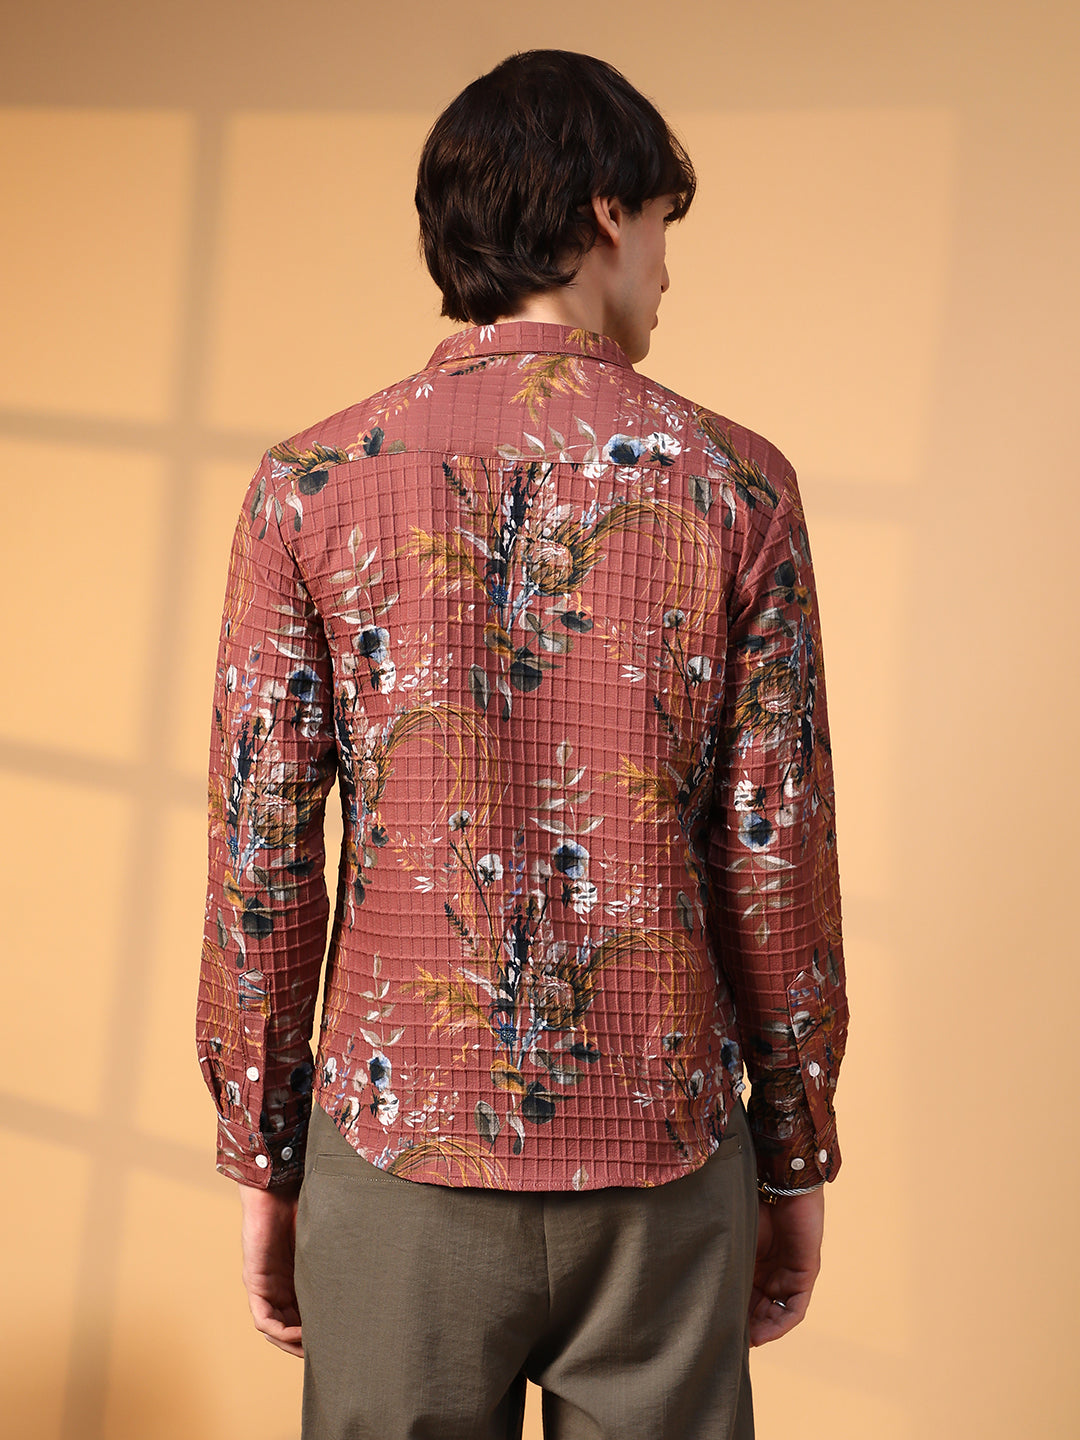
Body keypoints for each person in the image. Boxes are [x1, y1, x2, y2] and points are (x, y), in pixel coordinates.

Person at [196, 48, 848, 1440]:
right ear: (609, 211)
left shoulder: (308, 486)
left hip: (397, 1156)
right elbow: (775, 851)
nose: (667, 268)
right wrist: (794, 1153)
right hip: (664, 1156)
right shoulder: (737, 485)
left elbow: (262, 854)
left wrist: (266, 1154)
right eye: (663, 223)